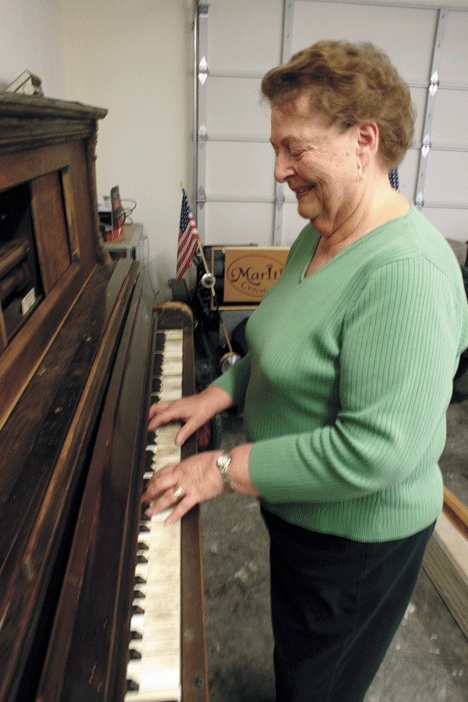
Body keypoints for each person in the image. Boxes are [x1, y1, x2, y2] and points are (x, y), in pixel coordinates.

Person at [142, 40, 468, 701]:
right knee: (303, 656)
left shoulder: (406, 273)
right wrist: (220, 393)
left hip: (355, 546)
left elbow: (375, 451)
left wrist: (223, 468)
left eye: (294, 147)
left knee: (321, 683)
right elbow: (276, 345)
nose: (278, 169)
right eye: (275, 149)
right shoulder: (318, 232)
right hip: (300, 517)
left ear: (363, 141)